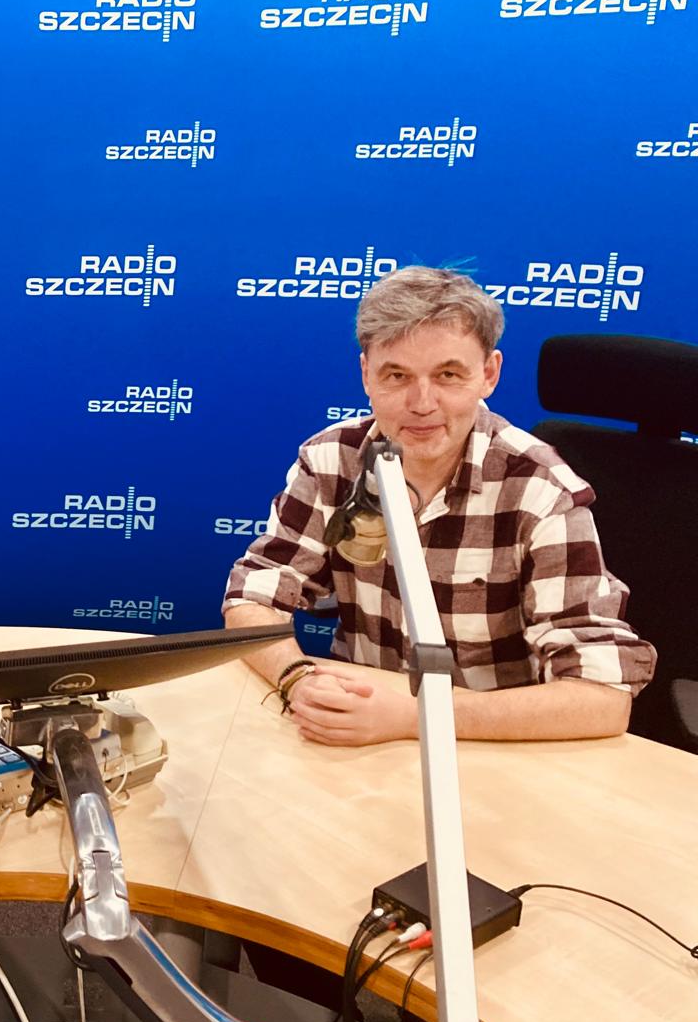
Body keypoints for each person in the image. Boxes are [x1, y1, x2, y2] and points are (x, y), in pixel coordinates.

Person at [223, 266, 655, 745]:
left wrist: (414, 718)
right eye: (397, 375)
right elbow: (252, 597)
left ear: (488, 374)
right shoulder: (332, 459)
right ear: (366, 374)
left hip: (489, 747)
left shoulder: (539, 487)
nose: (422, 403)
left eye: (448, 375)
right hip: (356, 737)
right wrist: (297, 679)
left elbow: (603, 698)